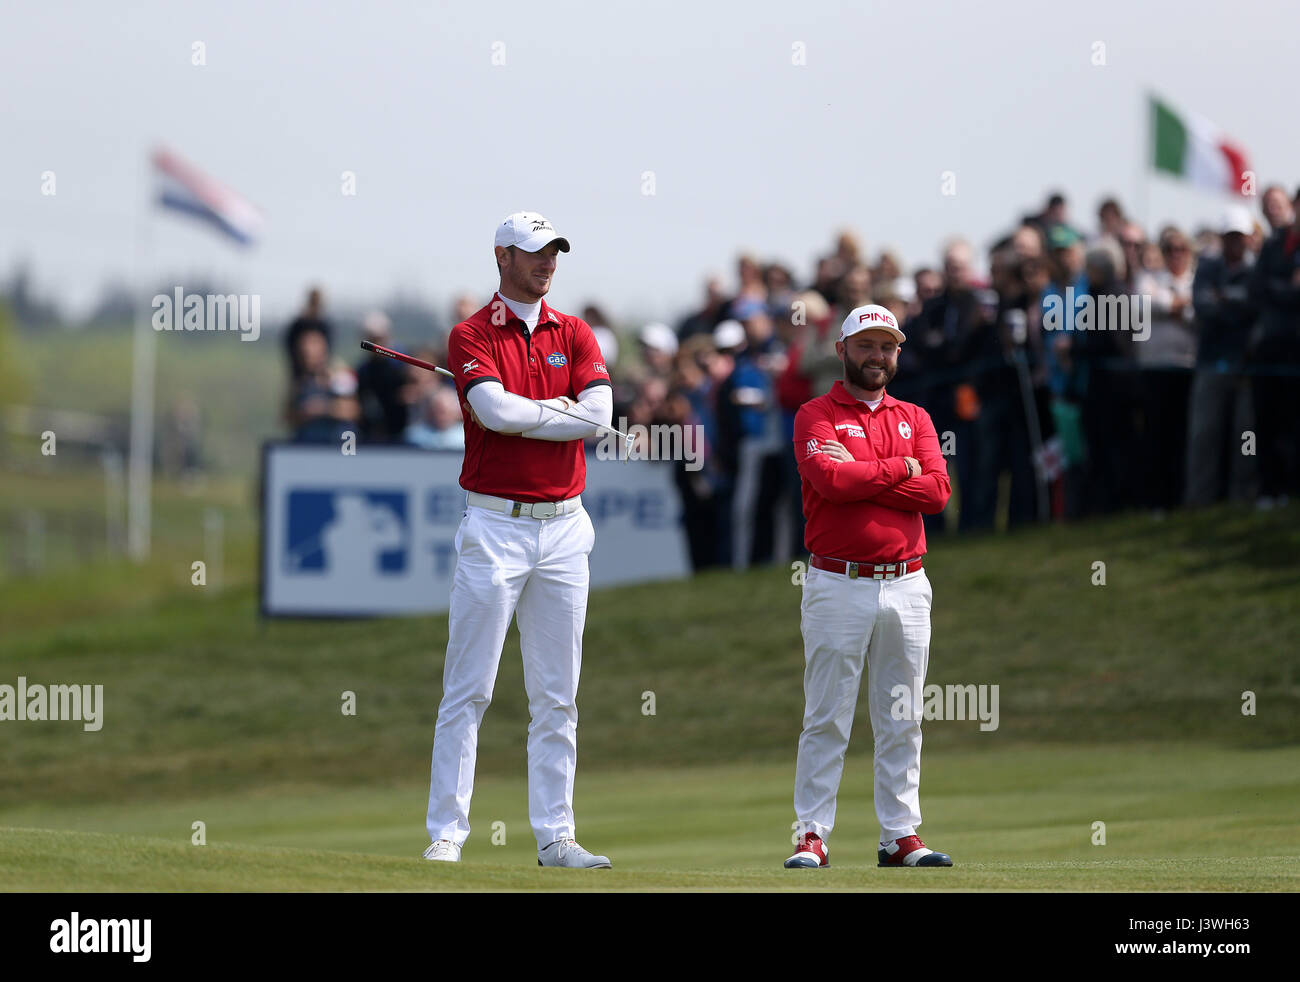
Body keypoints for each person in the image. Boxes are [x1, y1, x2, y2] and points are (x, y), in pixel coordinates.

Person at [423, 211, 614, 869]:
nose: (548, 263)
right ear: (502, 256)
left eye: (554, 252)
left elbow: (599, 417)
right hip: (494, 527)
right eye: (535, 252)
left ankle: (556, 836)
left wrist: (534, 416)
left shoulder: (576, 331)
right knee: (469, 687)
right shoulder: (471, 333)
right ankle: (447, 832)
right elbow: (491, 412)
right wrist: (559, 413)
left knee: (557, 695)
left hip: (564, 528)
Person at [786, 303, 953, 870]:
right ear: (843, 350)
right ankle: (811, 833)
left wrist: (868, 471)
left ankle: (899, 834)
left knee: (903, 715)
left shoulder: (917, 416)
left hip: (907, 581)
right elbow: (830, 481)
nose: (877, 356)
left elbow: (937, 494)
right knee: (827, 713)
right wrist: (901, 468)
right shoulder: (815, 413)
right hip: (838, 579)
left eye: (887, 347)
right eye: (866, 345)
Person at [1185, 208, 1258, 506]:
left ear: (1248, 238)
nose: (1235, 243)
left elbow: (1256, 306)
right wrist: (1236, 306)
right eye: (1230, 237)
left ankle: (1243, 499)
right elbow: (1203, 307)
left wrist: (1225, 299)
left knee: (1246, 438)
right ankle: (1199, 501)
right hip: (1211, 362)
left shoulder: (1256, 270)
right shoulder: (1207, 267)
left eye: (1239, 237)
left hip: (1246, 365)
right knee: (1204, 434)